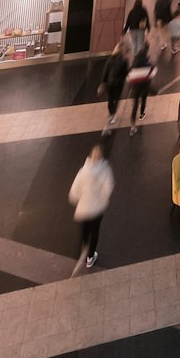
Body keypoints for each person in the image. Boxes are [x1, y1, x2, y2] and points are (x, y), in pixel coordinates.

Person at [69, 143, 115, 273]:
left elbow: (74, 190)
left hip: (83, 208)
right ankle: (90, 257)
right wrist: (104, 198)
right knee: (95, 231)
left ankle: (84, 247)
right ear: (101, 156)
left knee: (85, 229)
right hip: (97, 208)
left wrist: (77, 199)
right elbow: (108, 187)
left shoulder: (83, 171)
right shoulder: (105, 169)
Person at [101, 40, 130, 133]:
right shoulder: (124, 60)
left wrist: (103, 83)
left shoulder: (110, 59)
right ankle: (113, 115)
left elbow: (105, 71)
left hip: (110, 83)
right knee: (117, 99)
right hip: (119, 83)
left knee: (110, 98)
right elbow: (126, 72)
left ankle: (111, 113)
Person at [127, 43, 155, 134]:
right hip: (145, 85)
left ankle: (132, 125)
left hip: (135, 87)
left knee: (135, 104)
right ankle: (142, 113)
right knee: (143, 99)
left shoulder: (135, 62)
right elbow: (152, 70)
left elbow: (129, 72)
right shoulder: (147, 62)